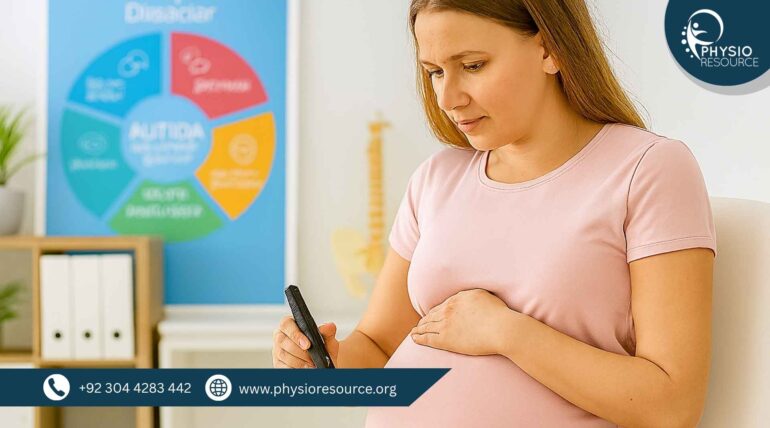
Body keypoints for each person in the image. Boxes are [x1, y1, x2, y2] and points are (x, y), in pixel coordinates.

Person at [273, 0, 717, 426]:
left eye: (472, 66)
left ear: (550, 49)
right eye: (434, 72)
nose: (448, 97)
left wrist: (507, 332)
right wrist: (326, 364)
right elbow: (379, 348)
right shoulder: (437, 178)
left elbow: (672, 406)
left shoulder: (648, 169)